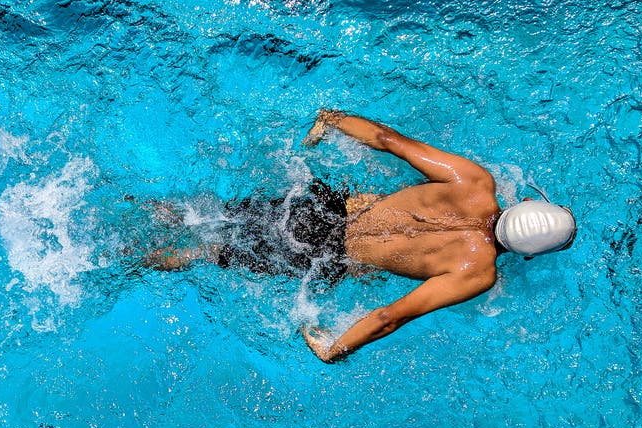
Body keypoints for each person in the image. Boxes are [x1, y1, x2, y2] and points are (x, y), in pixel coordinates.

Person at [146, 110, 577, 363]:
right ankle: (129, 258)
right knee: (207, 252)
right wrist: (336, 349)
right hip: (323, 255)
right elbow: (392, 316)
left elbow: (389, 140)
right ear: (529, 254)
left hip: (321, 206)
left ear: (525, 203)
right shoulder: (477, 272)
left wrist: (333, 120)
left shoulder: (475, 182)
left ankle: (144, 206)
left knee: (209, 216)